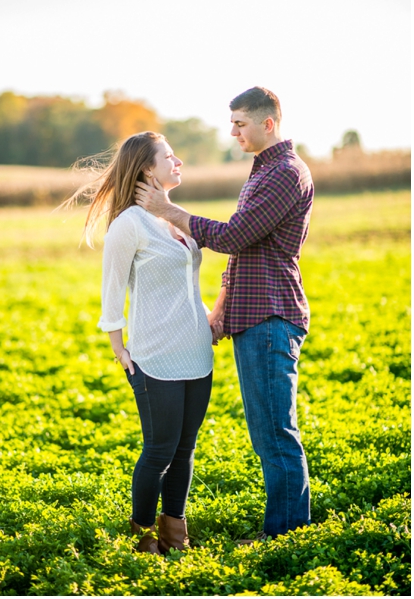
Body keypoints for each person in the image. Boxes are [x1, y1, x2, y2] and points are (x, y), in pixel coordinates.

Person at [135, 86, 314, 541]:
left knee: (275, 434)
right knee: (267, 432)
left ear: (267, 123)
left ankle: (286, 538)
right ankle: (285, 530)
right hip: (254, 315)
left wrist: (167, 210)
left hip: (271, 316)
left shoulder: (285, 174)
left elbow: (235, 236)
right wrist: (220, 311)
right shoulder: (263, 172)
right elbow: (245, 255)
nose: (232, 131)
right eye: (231, 122)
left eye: (240, 123)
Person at [73, 132, 217, 555]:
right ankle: (142, 536)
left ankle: (175, 531)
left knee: (185, 449)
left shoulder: (173, 217)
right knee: (159, 451)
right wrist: (120, 350)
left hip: (198, 352)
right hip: (154, 357)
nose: (179, 162)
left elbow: (187, 283)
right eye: (169, 157)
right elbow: (112, 292)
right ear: (146, 169)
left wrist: (209, 318)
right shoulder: (128, 225)